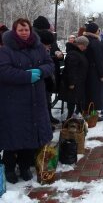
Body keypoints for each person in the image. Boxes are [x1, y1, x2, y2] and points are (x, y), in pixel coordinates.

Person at [0, 18, 54, 183]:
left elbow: (49, 64)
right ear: (14, 31)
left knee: (31, 135)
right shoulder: (6, 50)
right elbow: (4, 71)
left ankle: (24, 166)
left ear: (31, 31)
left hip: (36, 99)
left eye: (26, 30)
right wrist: (27, 76)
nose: (24, 33)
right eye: (20, 30)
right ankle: (9, 168)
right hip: (14, 101)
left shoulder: (38, 47)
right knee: (13, 136)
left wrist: (40, 70)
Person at [61, 36, 89, 119]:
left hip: (79, 81)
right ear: (80, 45)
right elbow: (71, 69)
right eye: (85, 46)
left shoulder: (78, 52)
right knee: (72, 101)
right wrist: (71, 83)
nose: (85, 48)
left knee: (77, 99)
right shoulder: (74, 53)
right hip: (74, 82)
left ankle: (76, 116)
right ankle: (69, 119)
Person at [84, 22, 103, 121]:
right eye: (98, 30)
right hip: (94, 71)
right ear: (94, 31)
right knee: (95, 93)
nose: (99, 32)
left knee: (87, 92)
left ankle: (86, 112)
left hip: (85, 70)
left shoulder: (84, 39)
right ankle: (94, 114)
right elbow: (99, 59)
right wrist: (102, 74)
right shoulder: (95, 42)